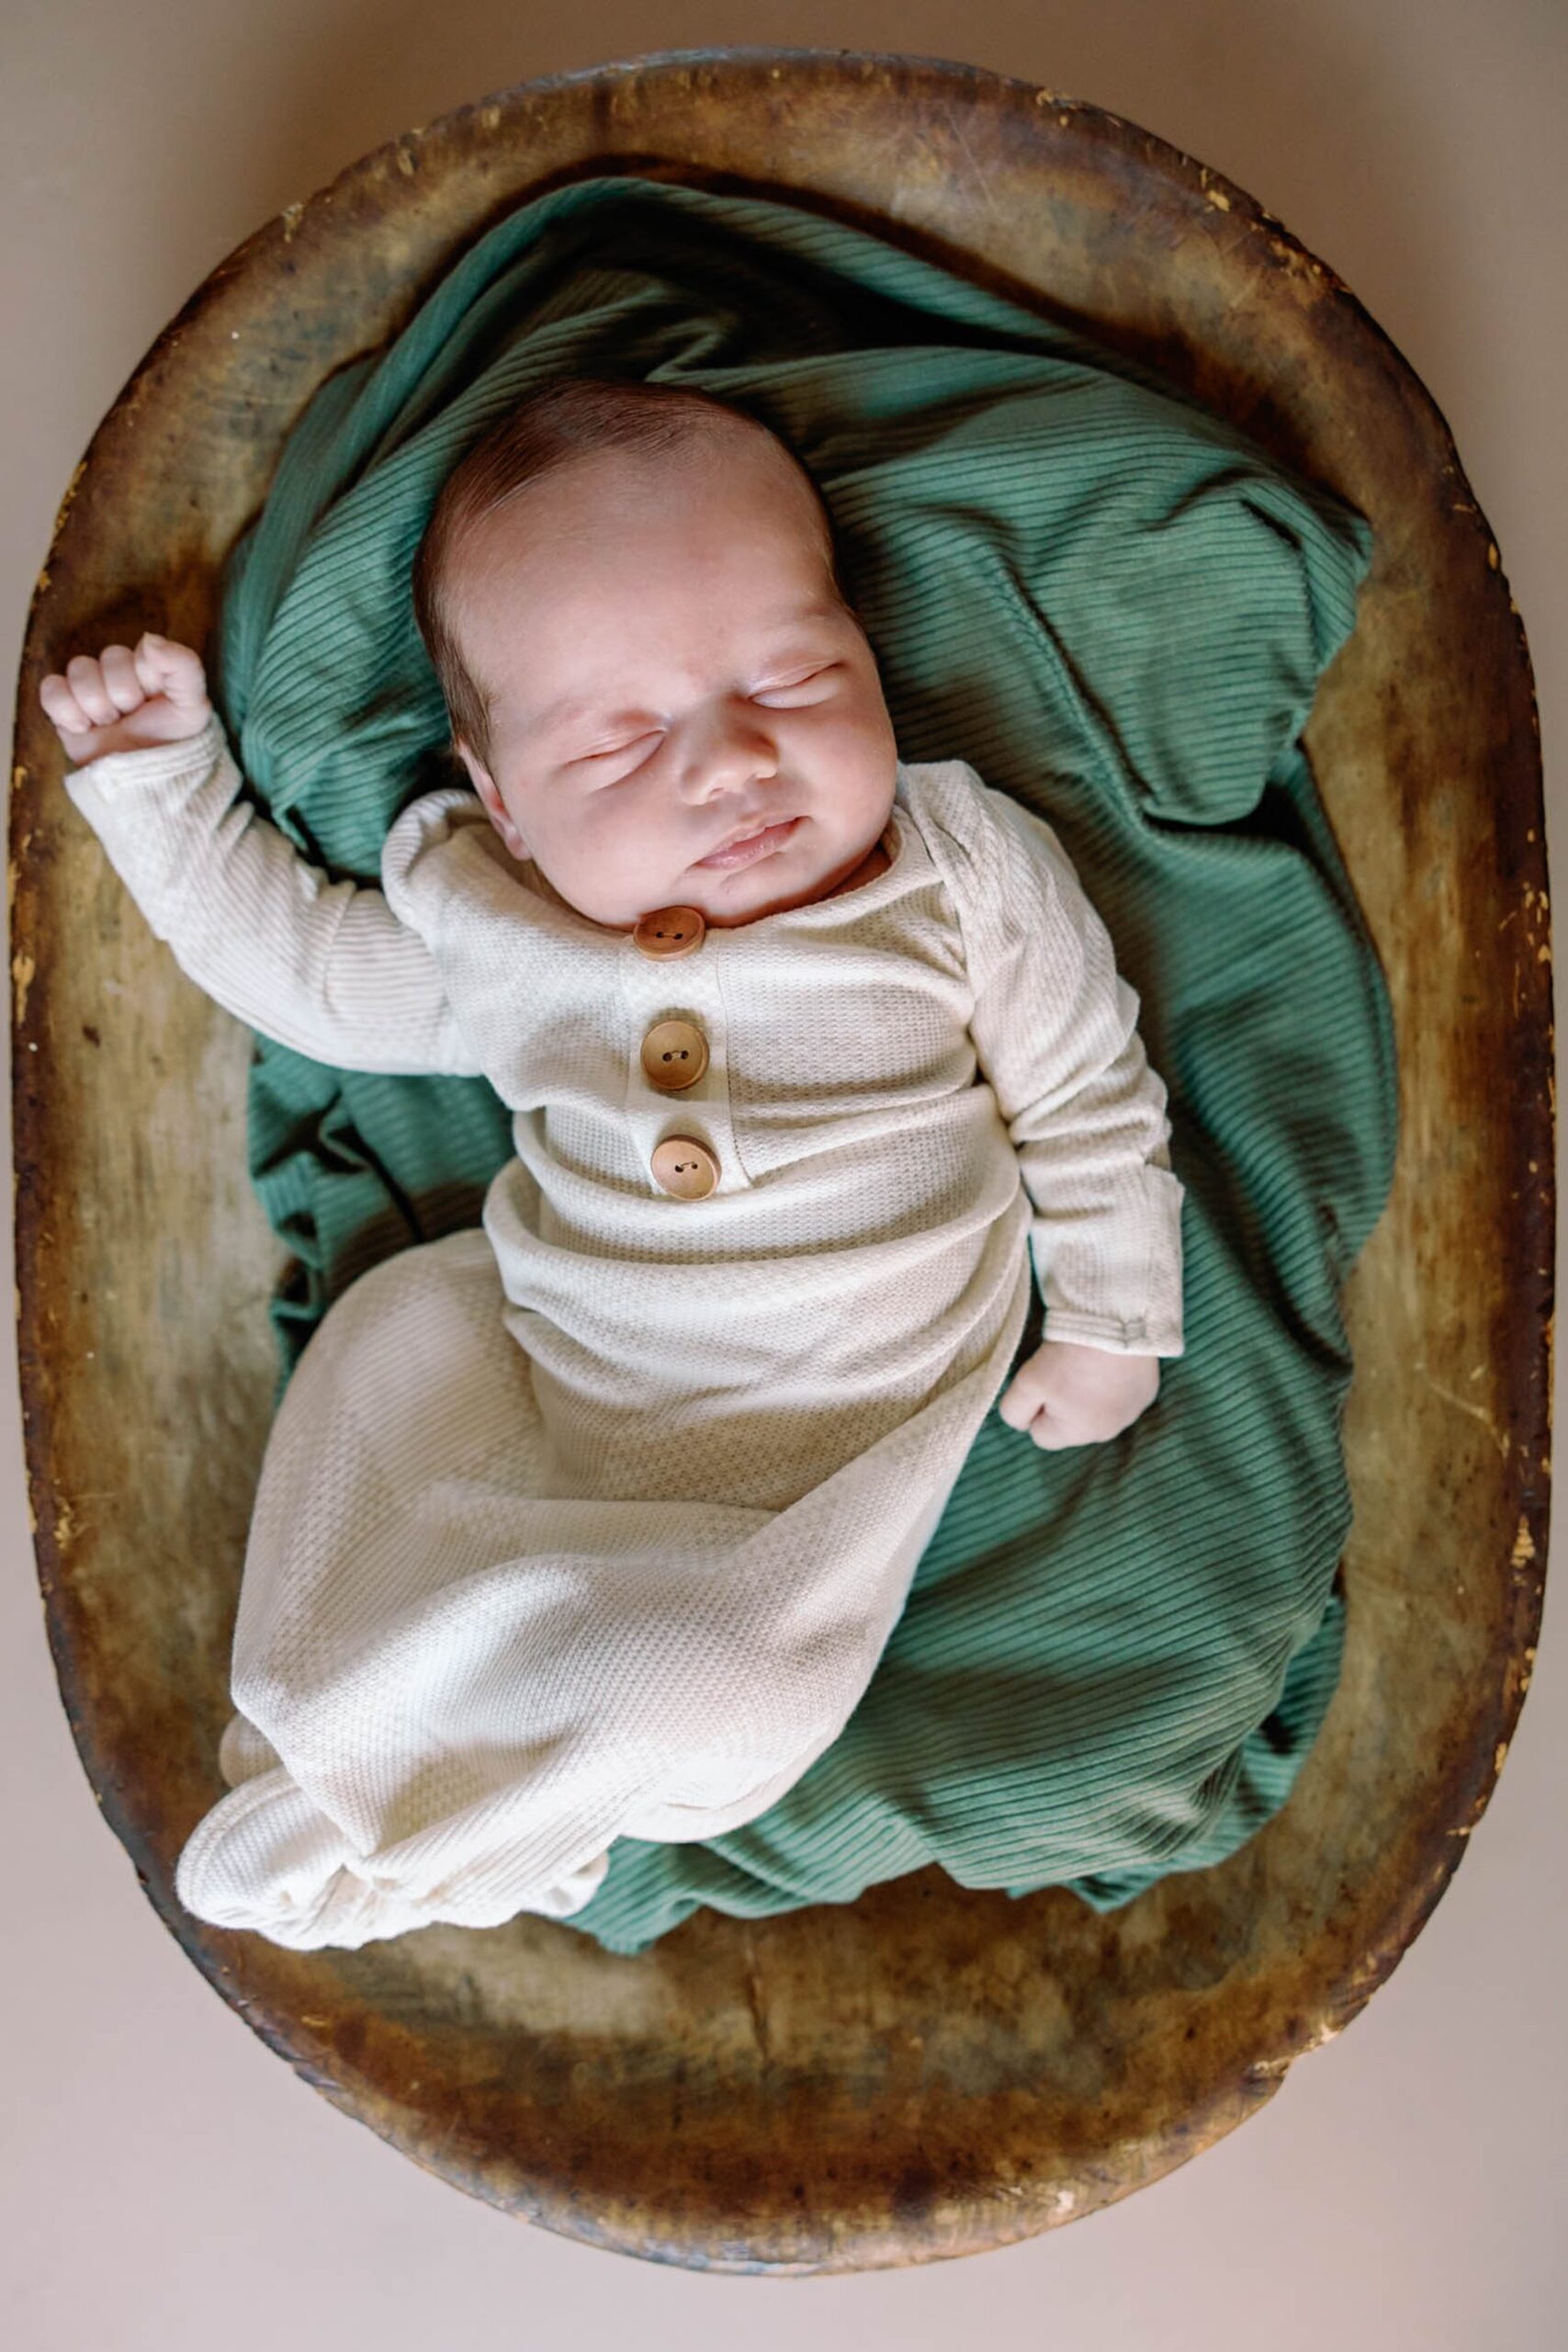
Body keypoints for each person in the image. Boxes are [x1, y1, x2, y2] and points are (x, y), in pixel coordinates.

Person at [38, 377, 1186, 1951]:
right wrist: (164, 786)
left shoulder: (952, 873)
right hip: (578, 1419)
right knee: (415, 1492)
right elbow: (298, 969)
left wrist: (1118, 1317)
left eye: (796, 674)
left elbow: (1088, 1087)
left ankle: (479, 1818)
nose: (731, 765)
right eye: (625, 739)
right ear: (502, 810)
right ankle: (419, 1782)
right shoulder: (518, 954)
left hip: (829, 1461)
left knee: (734, 1712)